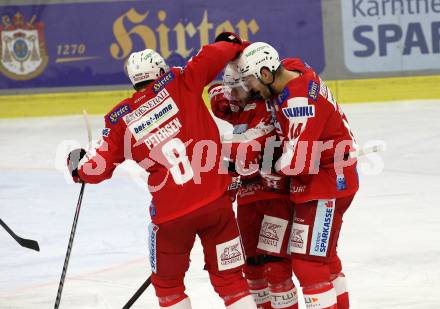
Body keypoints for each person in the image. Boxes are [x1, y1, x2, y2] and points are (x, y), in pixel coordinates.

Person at [66, 33, 259, 309]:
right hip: (217, 205)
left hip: (171, 217)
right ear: (161, 70)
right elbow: (213, 53)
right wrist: (233, 42)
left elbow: (94, 169)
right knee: (231, 281)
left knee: (169, 288)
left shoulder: (120, 119)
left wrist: (77, 164)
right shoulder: (182, 80)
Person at [235, 42, 359, 309]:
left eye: (252, 82)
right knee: (323, 258)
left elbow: (297, 164)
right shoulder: (293, 69)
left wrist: (264, 166)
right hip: (333, 176)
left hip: (325, 183)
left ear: (267, 74)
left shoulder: (299, 102)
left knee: (308, 263)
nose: (251, 90)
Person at [208, 62, 298, 309]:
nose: (232, 97)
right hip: (248, 198)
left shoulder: (269, 106)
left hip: (275, 196)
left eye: (237, 90)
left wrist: (202, 144)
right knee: (252, 265)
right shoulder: (240, 103)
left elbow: (246, 148)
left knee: (275, 266)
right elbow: (216, 97)